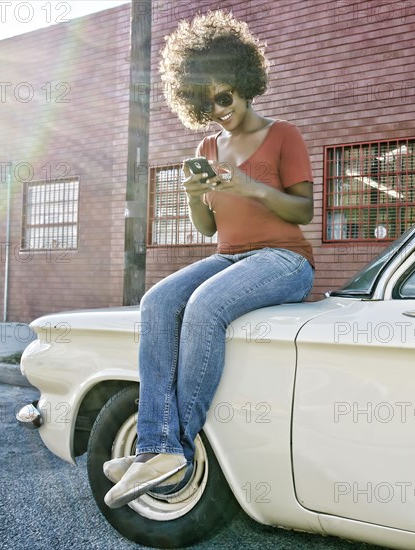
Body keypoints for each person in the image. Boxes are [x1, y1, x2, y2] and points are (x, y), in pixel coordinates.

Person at [104, 10, 315, 509]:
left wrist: (249, 186)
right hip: (230, 257)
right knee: (156, 302)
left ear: (247, 82)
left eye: (226, 97)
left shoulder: (284, 135)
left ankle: (174, 445)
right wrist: (194, 194)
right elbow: (209, 230)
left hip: (285, 260)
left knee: (204, 306)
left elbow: (303, 210)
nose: (219, 110)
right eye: (207, 102)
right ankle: (155, 445)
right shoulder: (207, 145)